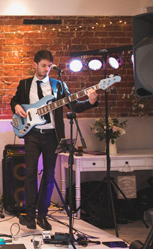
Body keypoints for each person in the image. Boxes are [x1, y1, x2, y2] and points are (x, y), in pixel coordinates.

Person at [10, 49, 98, 230]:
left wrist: (90, 102)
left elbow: (73, 105)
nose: (46, 69)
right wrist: (17, 106)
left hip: (52, 136)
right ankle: (30, 215)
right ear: (34, 65)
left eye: (49, 66)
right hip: (32, 134)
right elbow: (14, 101)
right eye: (43, 66)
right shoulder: (25, 84)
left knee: (49, 176)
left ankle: (42, 215)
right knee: (30, 173)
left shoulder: (58, 85)